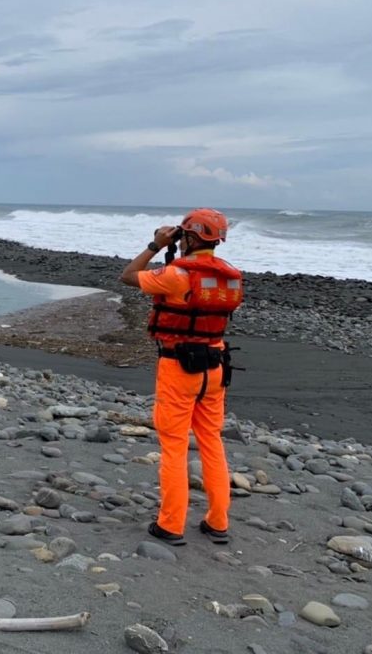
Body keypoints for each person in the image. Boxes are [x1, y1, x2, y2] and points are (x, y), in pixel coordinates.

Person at [119, 208, 243, 545]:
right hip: (216, 368)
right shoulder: (231, 276)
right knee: (211, 442)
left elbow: (128, 275)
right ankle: (218, 522)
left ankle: (171, 525)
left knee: (174, 446)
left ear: (189, 237)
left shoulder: (177, 275)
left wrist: (156, 245)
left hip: (178, 368)